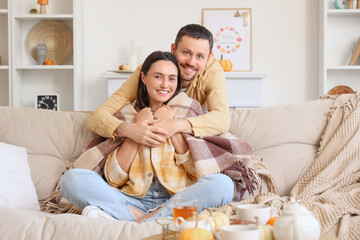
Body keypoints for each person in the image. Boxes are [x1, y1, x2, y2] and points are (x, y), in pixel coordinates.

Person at [60, 51, 234, 222]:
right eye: (158, 77)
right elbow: (114, 179)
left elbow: (196, 170)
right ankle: (157, 219)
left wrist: (173, 128)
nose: (165, 85)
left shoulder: (190, 109)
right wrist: (135, 132)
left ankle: (136, 220)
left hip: (177, 199)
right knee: (71, 180)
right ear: (143, 78)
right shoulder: (126, 114)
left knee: (223, 185)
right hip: (129, 200)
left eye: (172, 78)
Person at [87, 24, 230, 147]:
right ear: (173, 49)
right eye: (186, 52)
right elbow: (97, 116)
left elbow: (222, 119)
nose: (191, 62)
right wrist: (129, 130)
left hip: (186, 136)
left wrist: (175, 125)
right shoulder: (151, 69)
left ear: (209, 59)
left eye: (200, 56)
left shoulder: (213, 73)